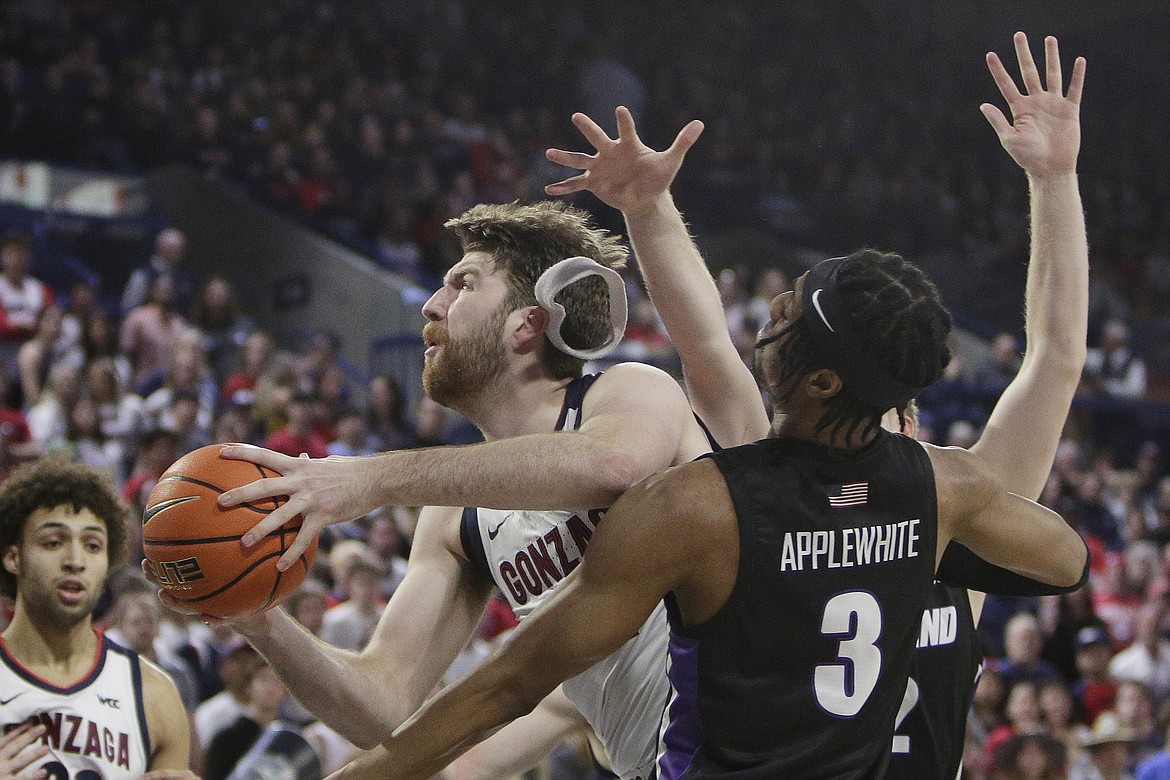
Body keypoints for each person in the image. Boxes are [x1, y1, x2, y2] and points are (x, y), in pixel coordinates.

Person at [444, 30, 1088, 780]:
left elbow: (1057, 355)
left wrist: (1055, 178)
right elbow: (710, 349)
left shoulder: (957, 515)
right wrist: (649, 209)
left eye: (891, 422)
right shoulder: (776, 492)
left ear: (911, 426)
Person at [154, 198, 714, 780]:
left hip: (768, 744)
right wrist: (259, 619)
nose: (431, 304)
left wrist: (373, 478)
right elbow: (382, 708)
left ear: (531, 319)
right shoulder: (455, 517)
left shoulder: (629, 391)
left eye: (463, 285)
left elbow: (614, 466)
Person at [0, 457, 192, 778]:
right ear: (13, 557)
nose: (75, 561)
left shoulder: (154, 694)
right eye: (53, 542)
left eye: (92, 545)